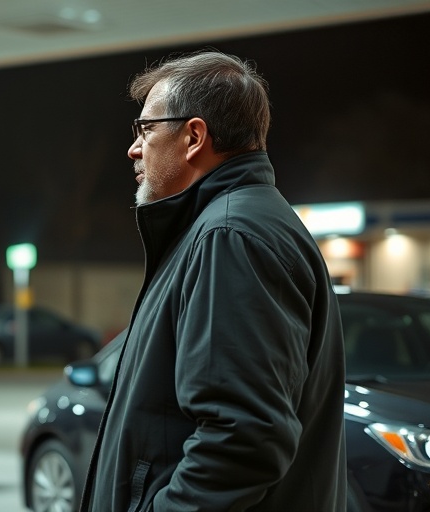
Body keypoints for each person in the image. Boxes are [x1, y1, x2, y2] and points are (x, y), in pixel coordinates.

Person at [80, 50, 347, 511]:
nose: (134, 148)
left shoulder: (231, 237)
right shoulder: (235, 225)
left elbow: (243, 437)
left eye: (146, 129)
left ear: (194, 136)